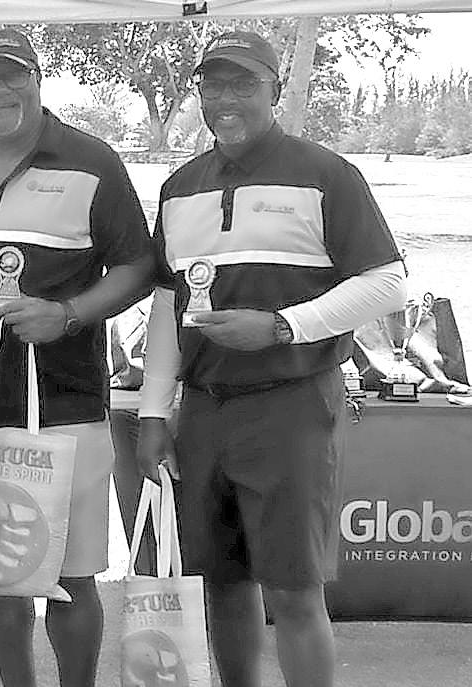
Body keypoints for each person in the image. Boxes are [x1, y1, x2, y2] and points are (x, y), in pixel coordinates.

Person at [136, 31, 407, 687]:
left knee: (292, 590)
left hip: (291, 405)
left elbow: (387, 283)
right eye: (213, 84)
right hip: (205, 410)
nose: (226, 100)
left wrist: (284, 327)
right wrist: (152, 413)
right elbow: (169, 307)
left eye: (244, 84)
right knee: (220, 583)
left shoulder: (326, 174)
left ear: (276, 91)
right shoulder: (179, 187)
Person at [0, 28, 155, 687]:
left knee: (72, 579)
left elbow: (138, 266)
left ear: (37, 79)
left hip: (67, 402)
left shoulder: (93, 161)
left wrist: (68, 313)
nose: (0, 90)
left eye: (13, 74)